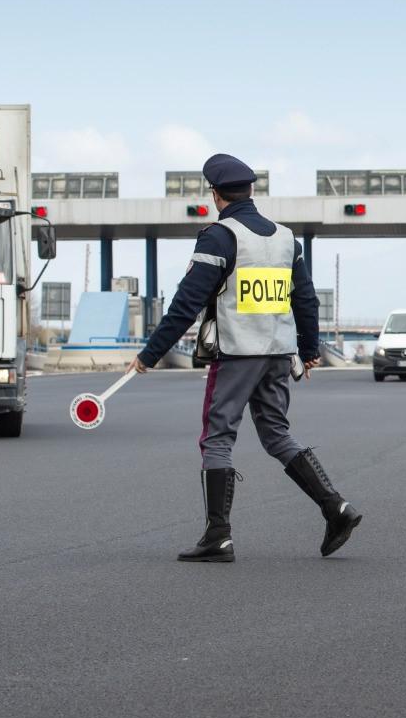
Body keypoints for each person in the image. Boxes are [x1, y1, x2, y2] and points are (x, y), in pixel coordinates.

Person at [129, 153, 362, 563]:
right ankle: (336, 507)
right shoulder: (286, 238)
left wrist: (150, 355)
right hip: (278, 354)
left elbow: (186, 304)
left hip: (237, 354)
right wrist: (308, 351)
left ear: (215, 193)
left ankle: (218, 535)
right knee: (276, 435)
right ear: (251, 190)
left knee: (217, 438)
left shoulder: (220, 237)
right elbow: (304, 299)